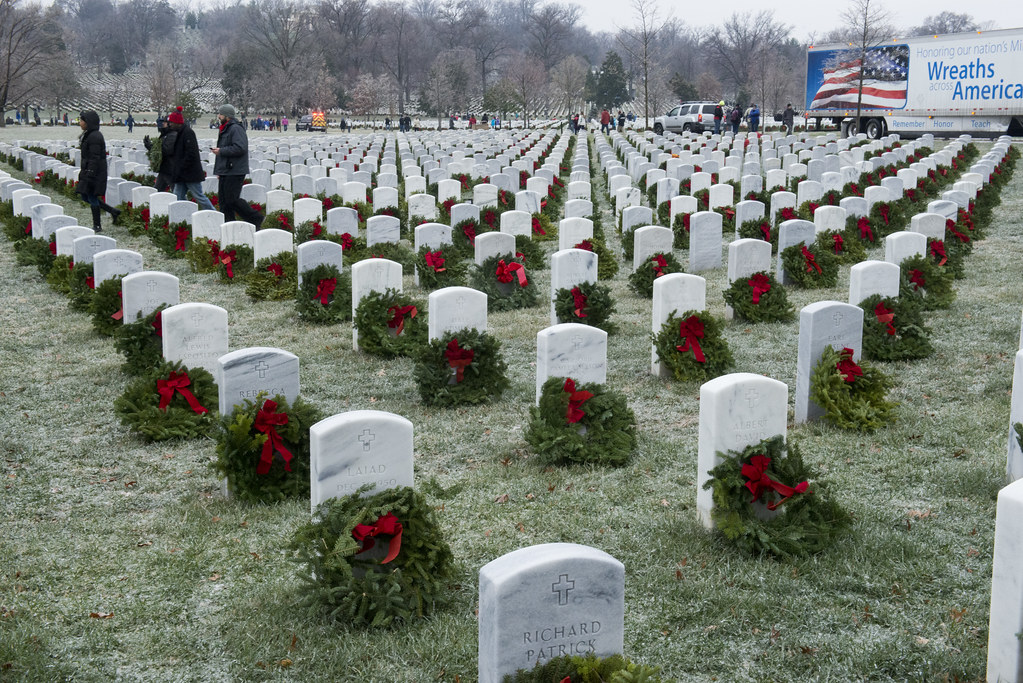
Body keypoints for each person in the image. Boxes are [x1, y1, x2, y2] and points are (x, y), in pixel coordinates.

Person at [212, 104, 264, 227]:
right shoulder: (225, 128)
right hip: (226, 170)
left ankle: (256, 218)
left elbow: (240, 148)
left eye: (220, 114)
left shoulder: (235, 129)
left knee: (232, 200)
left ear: (227, 116)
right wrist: (220, 171)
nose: (219, 116)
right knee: (224, 202)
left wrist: (221, 151)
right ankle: (229, 227)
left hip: (235, 170)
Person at [76, 110, 120, 232]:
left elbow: (94, 156)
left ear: (88, 122)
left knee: (91, 196)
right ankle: (113, 211)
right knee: (85, 196)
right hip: (89, 169)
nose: (80, 123)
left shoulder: (94, 136)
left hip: (94, 171)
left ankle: (97, 225)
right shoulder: (89, 134)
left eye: (82, 120)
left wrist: (90, 172)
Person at [167, 106, 215, 211]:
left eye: (171, 122)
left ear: (177, 122)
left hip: (190, 173)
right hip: (182, 173)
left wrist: (181, 167)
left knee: (199, 196)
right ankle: (180, 217)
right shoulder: (180, 133)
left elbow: (191, 154)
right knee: (177, 197)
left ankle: (214, 214)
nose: (169, 124)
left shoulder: (188, 133)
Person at [143, 116, 176, 192]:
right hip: (165, 169)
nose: (162, 125)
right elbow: (159, 149)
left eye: (164, 123)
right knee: (157, 190)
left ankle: (184, 203)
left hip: (170, 169)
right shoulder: (166, 135)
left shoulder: (172, 135)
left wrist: (151, 147)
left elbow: (165, 150)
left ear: (169, 124)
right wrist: (149, 146)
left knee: (177, 192)